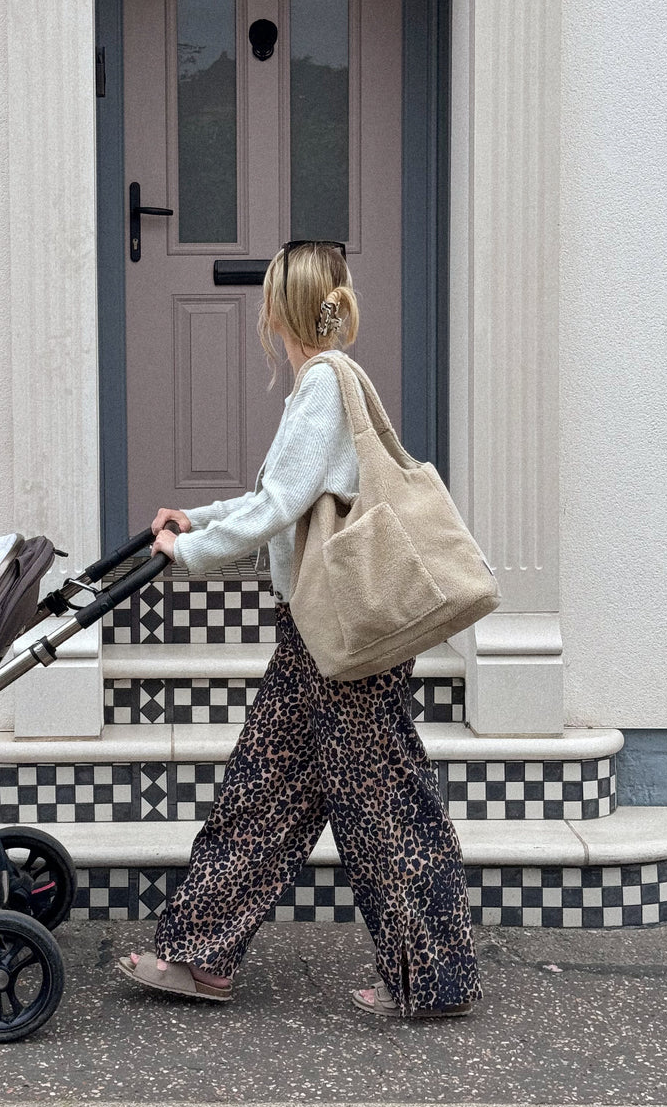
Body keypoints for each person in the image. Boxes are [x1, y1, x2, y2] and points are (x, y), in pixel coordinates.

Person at [116, 240, 480, 1019]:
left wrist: (191, 552)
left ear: (276, 309)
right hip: (312, 638)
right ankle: (200, 956)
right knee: (264, 792)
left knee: (380, 807)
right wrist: (199, 517)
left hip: (340, 645)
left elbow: (280, 504)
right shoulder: (328, 383)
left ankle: (431, 979)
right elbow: (281, 496)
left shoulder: (322, 383)